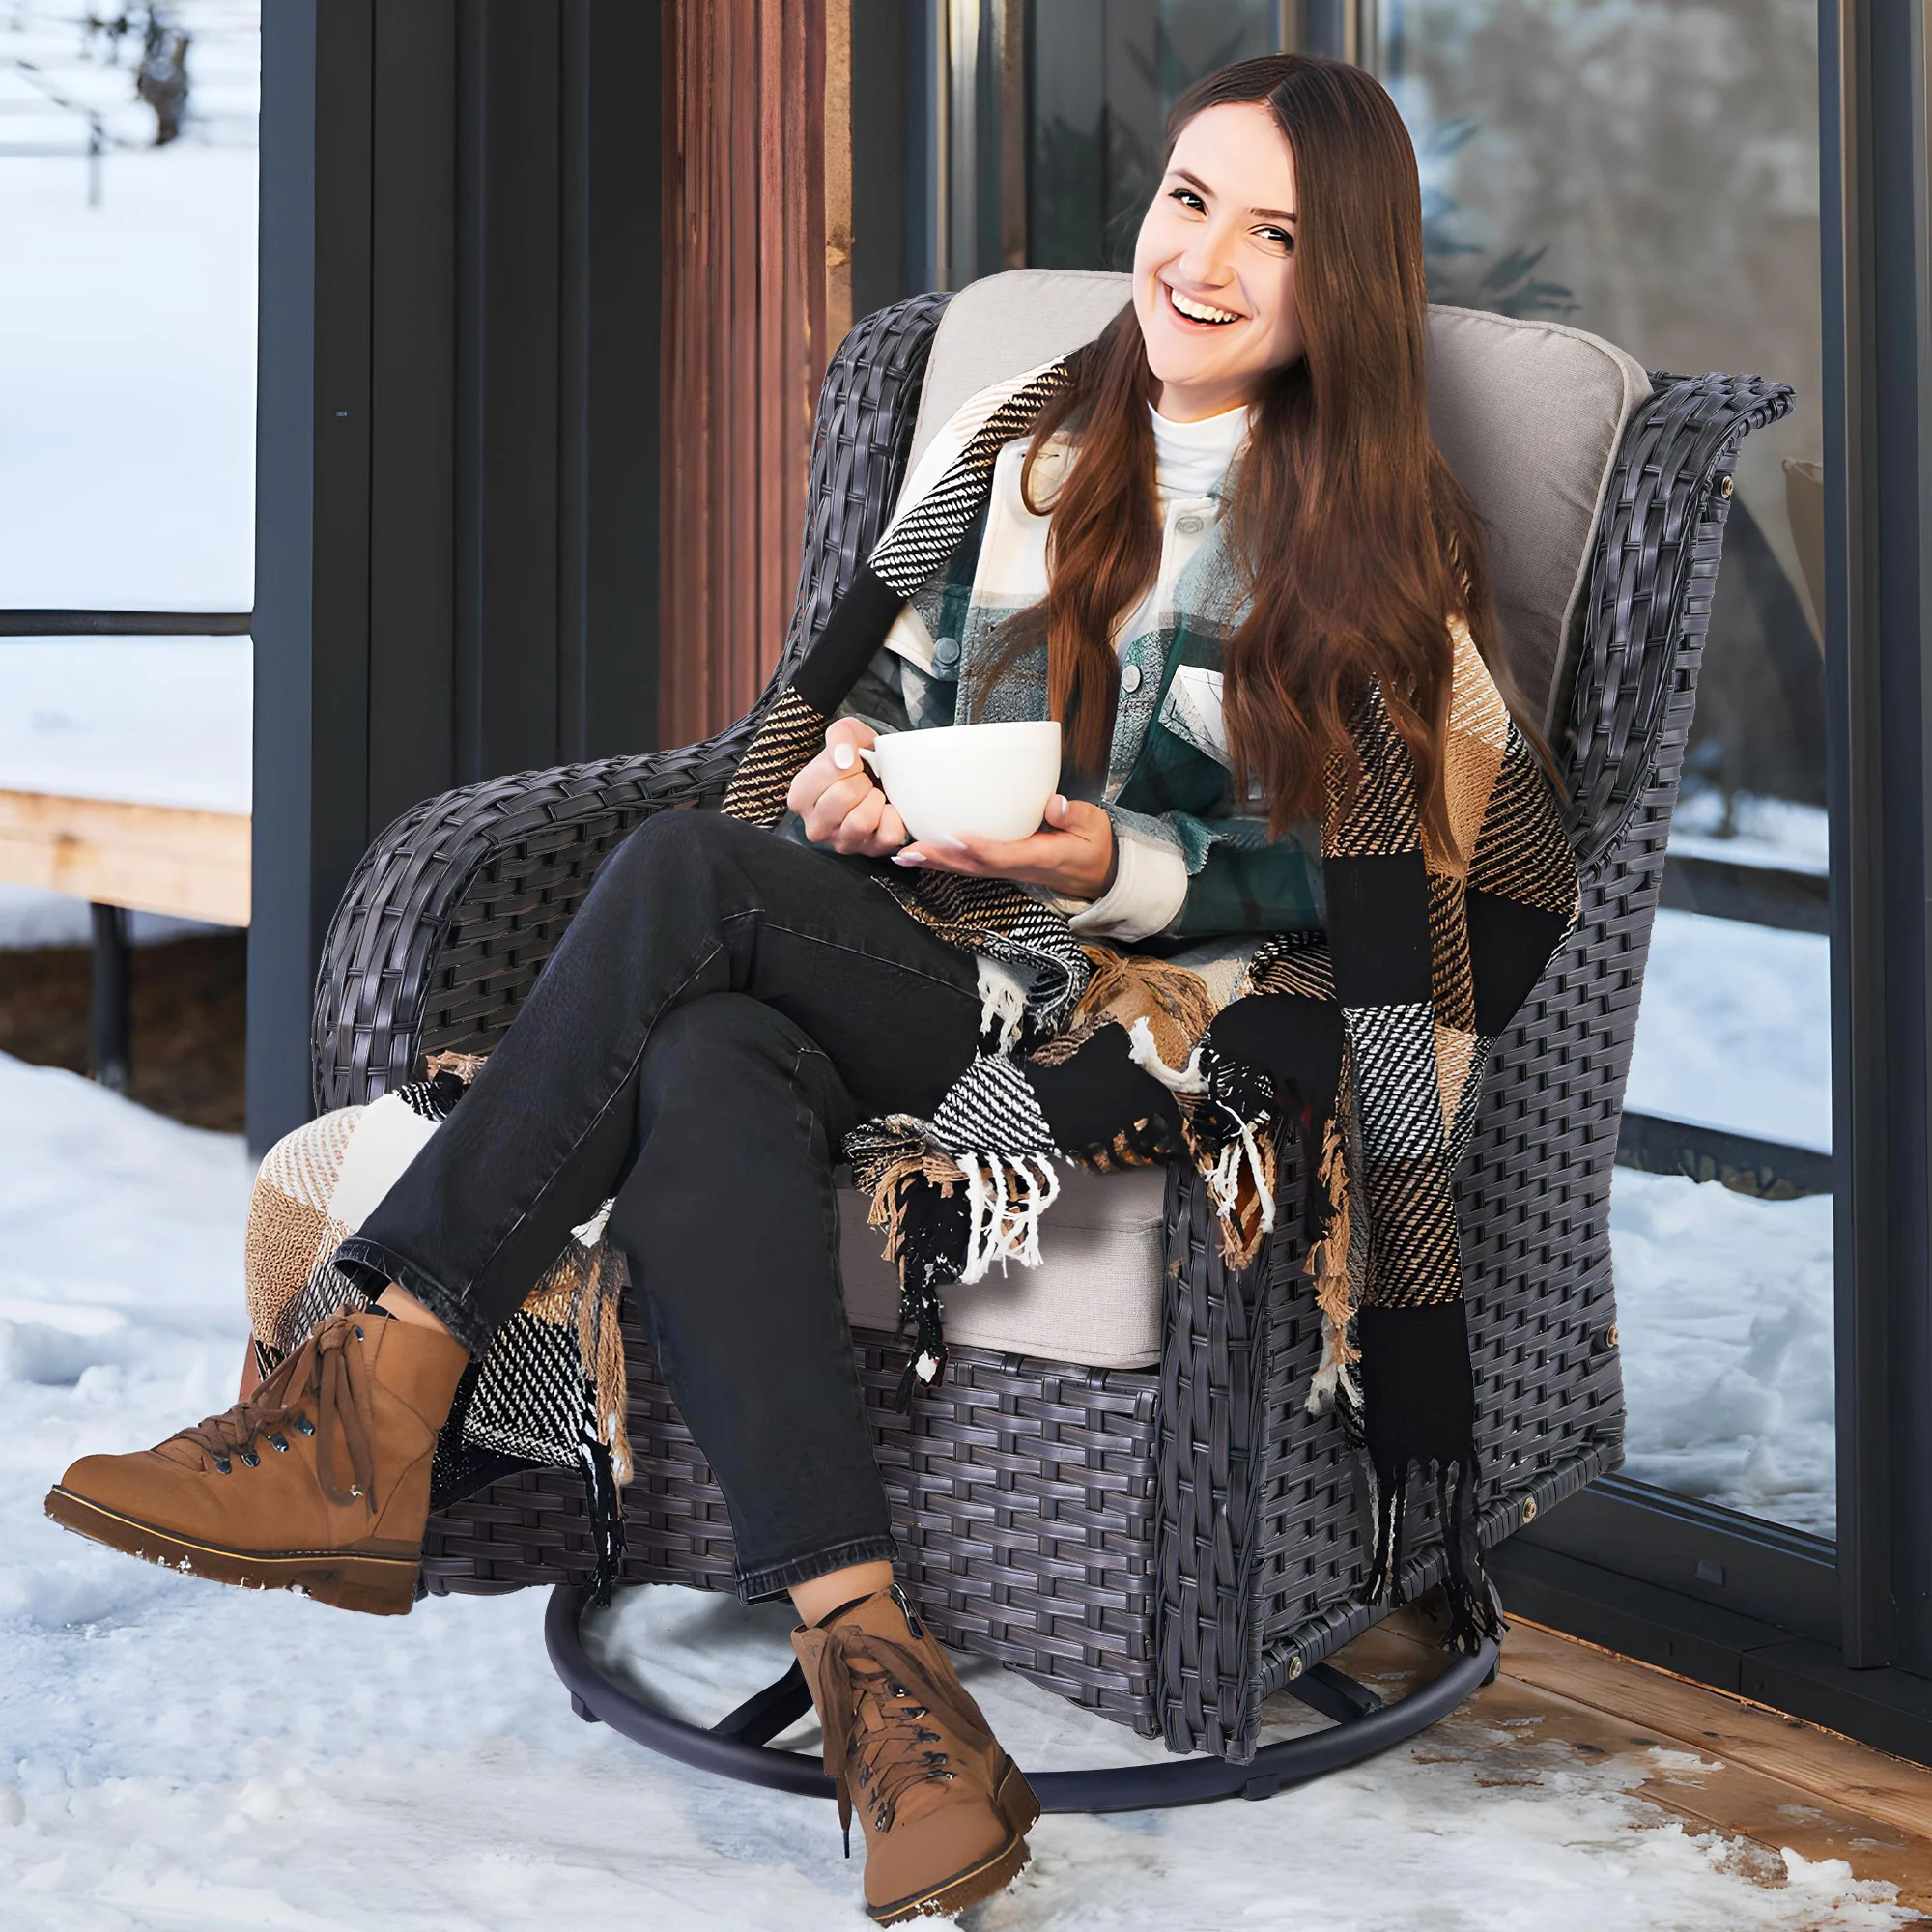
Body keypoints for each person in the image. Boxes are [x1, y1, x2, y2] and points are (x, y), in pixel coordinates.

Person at [44, 53, 1577, 1927]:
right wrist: (851, 774)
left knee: (690, 926)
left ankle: (382, 1390)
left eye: (1274, 234)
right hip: (932, 947)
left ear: (1343, 279)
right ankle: (883, 1685)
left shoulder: (1375, 535)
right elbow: (880, 705)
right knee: (706, 1028)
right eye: (1188, 199)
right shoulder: (1026, 447)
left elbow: (1402, 871)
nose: (1202, 259)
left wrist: (1120, 861)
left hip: (1132, 1030)